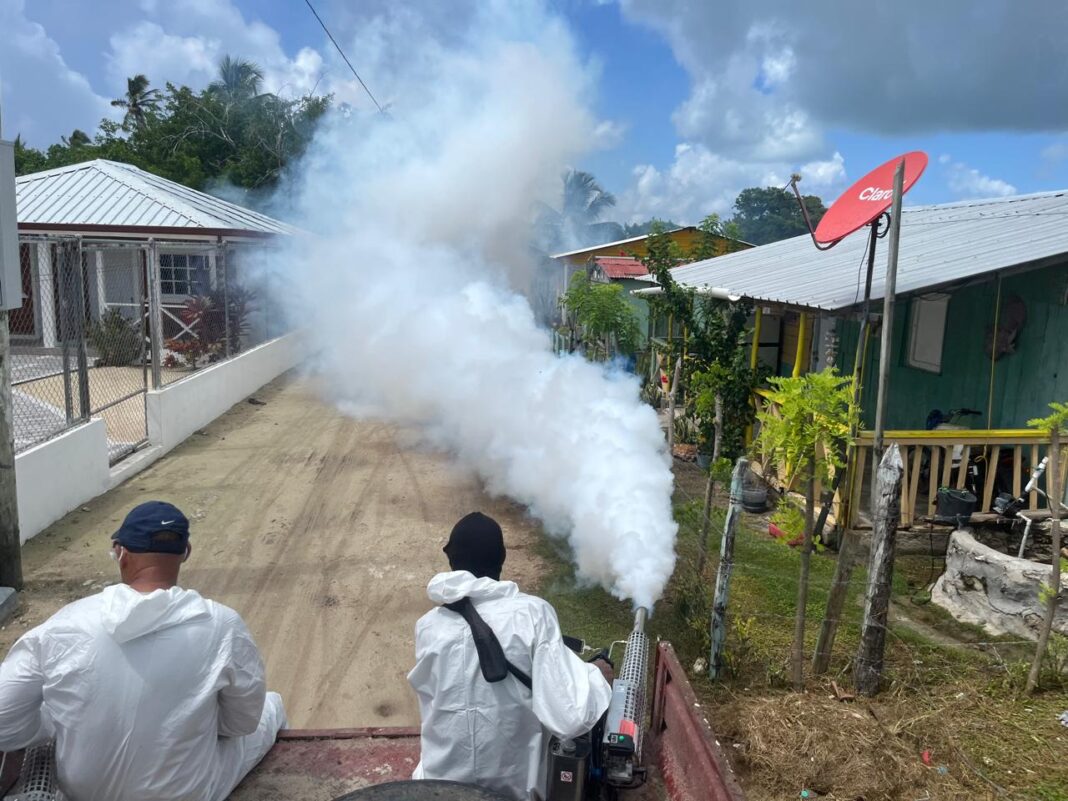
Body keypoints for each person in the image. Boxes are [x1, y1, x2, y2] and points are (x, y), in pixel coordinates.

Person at [0, 501, 286, 801]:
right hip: (187, 794)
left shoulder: (66, 623)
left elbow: (5, 718)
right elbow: (242, 722)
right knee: (273, 705)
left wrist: (56, 723)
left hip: (82, 793)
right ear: (185, 552)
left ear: (120, 553)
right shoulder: (222, 625)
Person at [408, 512, 613, 801]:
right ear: (501, 559)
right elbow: (570, 718)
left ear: (451, 560)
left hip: (438, 789)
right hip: (513, 793)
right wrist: (595, 676)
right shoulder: (533, 613)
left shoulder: (427, 626)